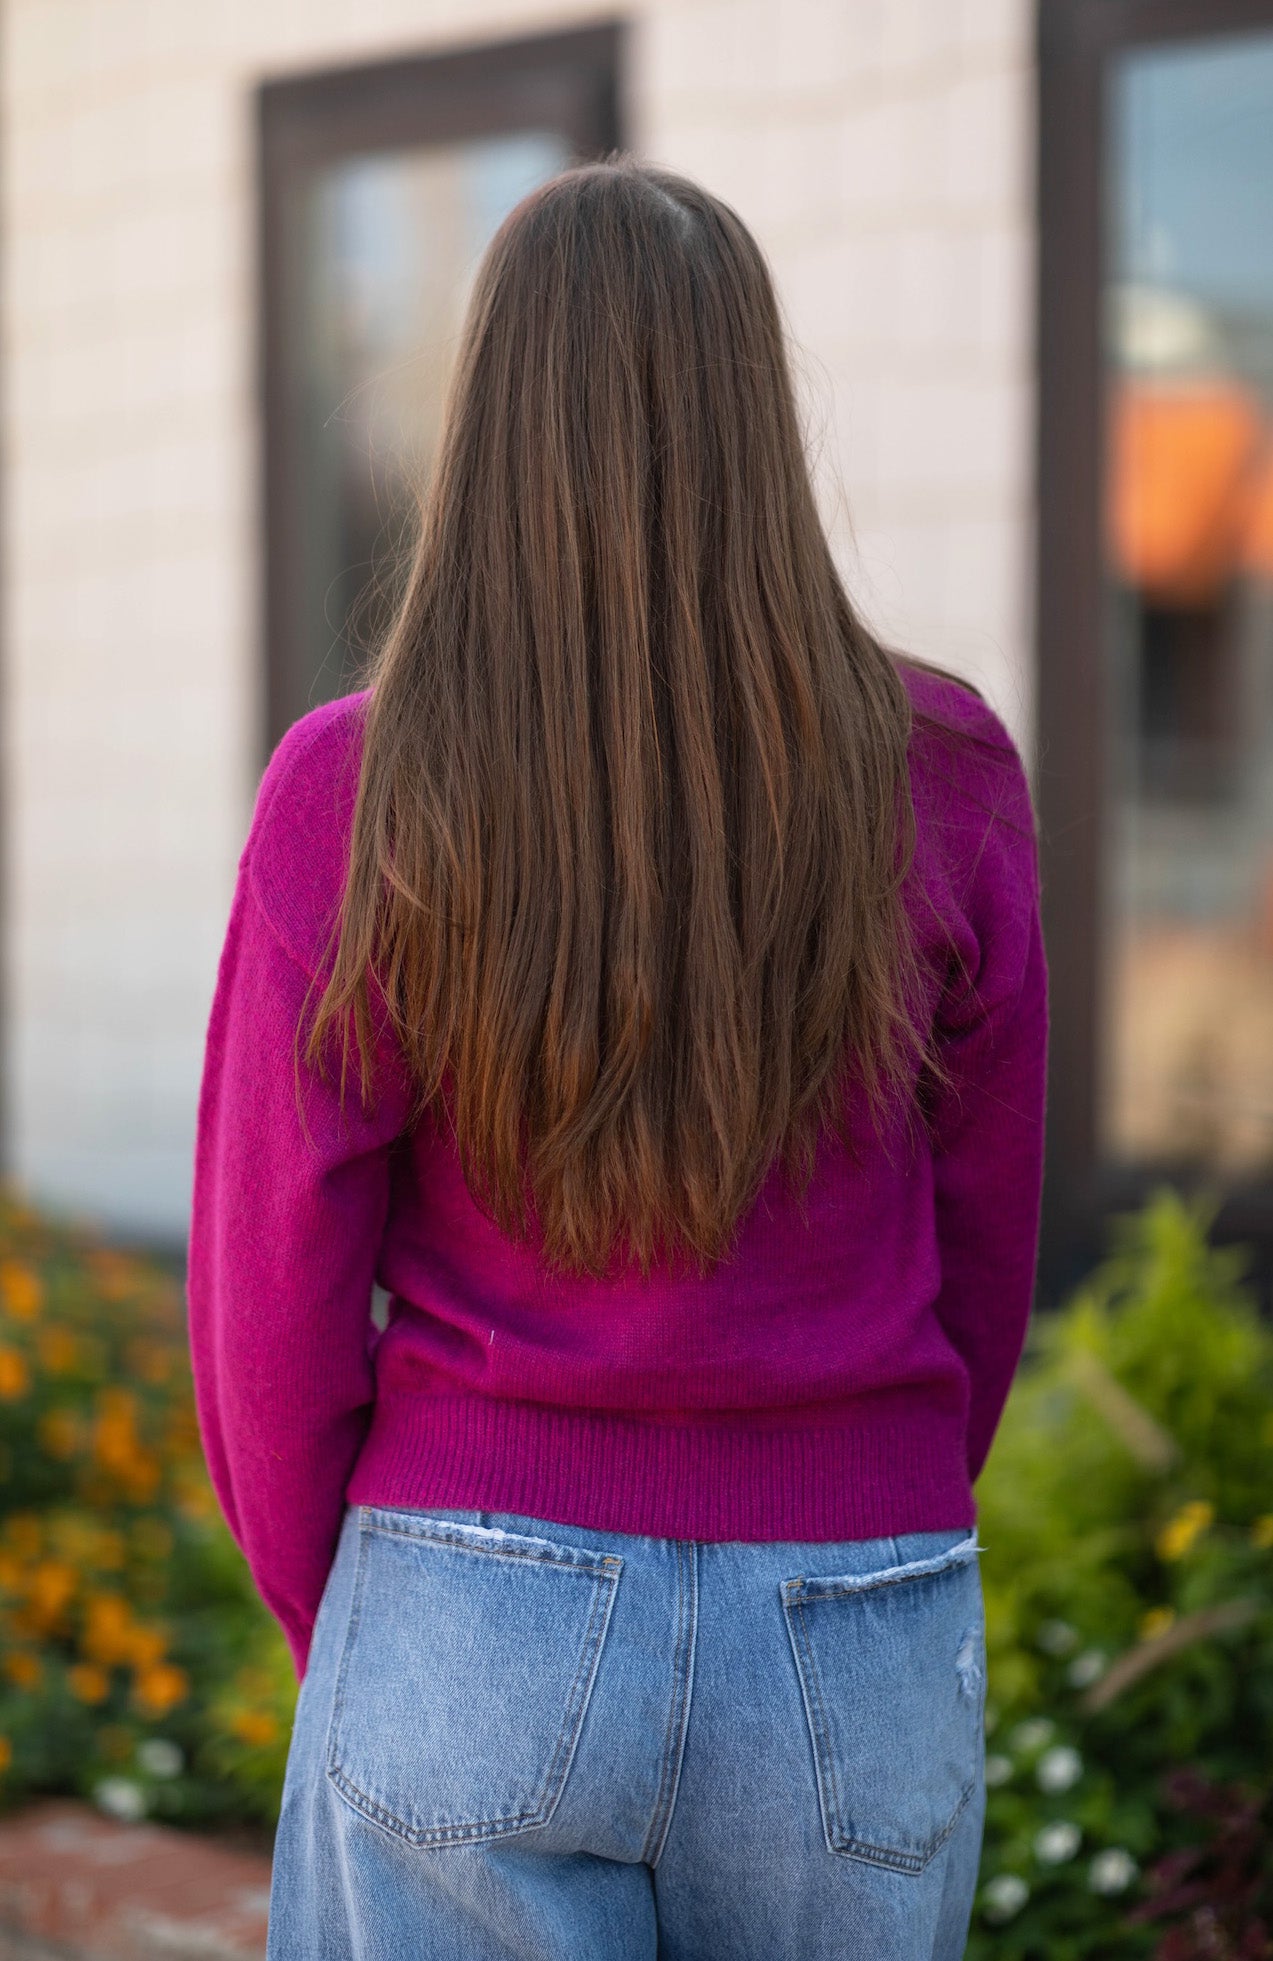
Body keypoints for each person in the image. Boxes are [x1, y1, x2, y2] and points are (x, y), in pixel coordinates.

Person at [187, 155, 1048, 1961]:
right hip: (856, 1609)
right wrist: (865, 1509)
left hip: (468, 1592)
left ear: (489, 417)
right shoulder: (945, 771)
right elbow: (985, 1256)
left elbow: (267, 1298)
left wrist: (353, 1613)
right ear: (755, 414)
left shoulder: (357, 794)